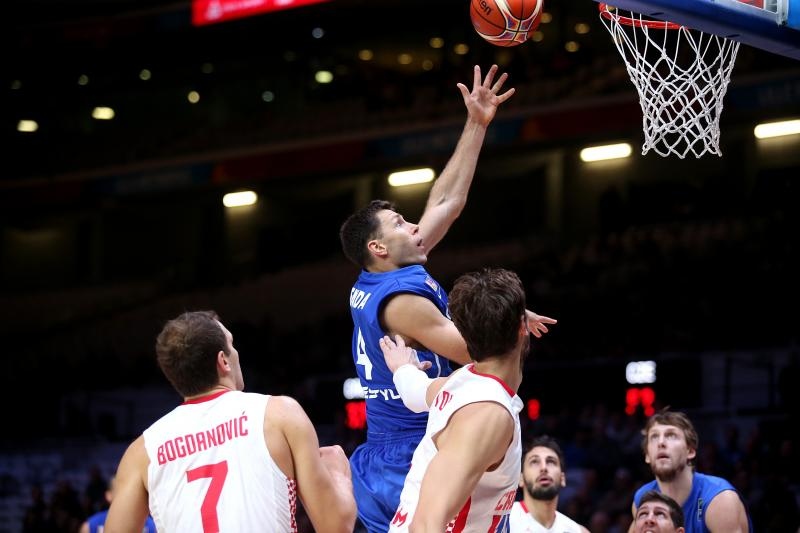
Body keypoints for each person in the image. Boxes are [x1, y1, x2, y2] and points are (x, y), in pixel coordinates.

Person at [339, 63, 556, 533]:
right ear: (378, 248)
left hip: (420, 416)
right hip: (409, 446)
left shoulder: (384, 272)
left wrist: (477, 123)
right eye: (399, 224)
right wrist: (508, 314)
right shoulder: (400, 302)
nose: (414, 226)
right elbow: (479, 350)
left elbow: (446, 203)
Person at [105, 310, 356, 533]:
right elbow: (335, 527)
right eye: (232, 345)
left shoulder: (141, 452)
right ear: (223, 361)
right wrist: (338, 475)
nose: (236, 353)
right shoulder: (279, 414)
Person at [380, 267, 531, 531]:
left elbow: (416, 392)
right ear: (522, 328)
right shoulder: (487, 415)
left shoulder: (463, 380)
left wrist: (403, 369)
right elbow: (425, 527)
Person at [629, 408, 752, 533]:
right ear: (647, 456)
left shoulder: (719, 499)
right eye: (654, 437)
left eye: (671, 435)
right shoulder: (642, 499)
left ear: (690, 451)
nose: (661, 442)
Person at [509, 435, 590, 533]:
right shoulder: (503, 521)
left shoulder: (578, 531)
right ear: (521, 479)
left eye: (551, 462)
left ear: (562, 478)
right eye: (534, 462)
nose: (544, 468)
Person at [79, 476, 156, 533]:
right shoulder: (90, 526)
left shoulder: (151, 525)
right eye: (119, 491)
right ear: (108, 495)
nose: (126, 495)